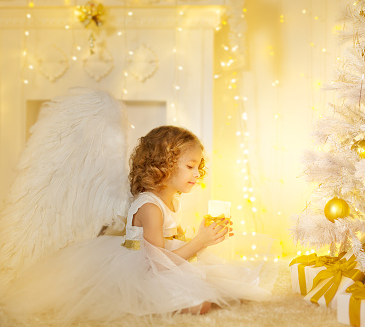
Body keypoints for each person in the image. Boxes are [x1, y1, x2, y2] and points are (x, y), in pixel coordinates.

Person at [0, 90, 269, 326]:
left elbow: (165, 248)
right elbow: (157, 265)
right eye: (190, 166)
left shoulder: (168, 201)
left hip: (155, 261)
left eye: (199, 167)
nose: (197, 174)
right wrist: (198, 243)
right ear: (164, 164)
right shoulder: (150, 208)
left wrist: (200, 237)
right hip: (142, 269)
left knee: (227, 284)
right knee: (201, 302)